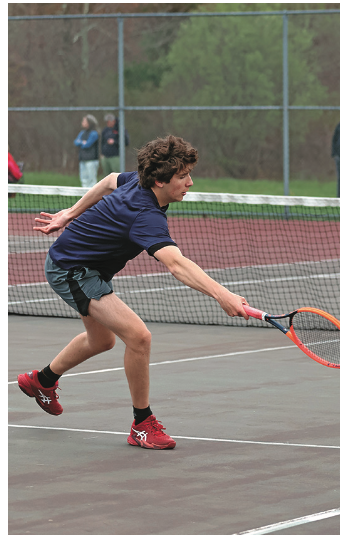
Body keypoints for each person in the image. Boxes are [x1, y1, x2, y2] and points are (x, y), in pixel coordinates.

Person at [17, 135, 250, 450]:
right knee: (139, 337)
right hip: (72, 268)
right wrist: (223, 294)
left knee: (102, 340)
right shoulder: (145, 215)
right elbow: (176, 264)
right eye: (183, 177)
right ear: (159, 180)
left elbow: (109, 180)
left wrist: (69, 214)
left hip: (82, 264)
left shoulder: (136, 183)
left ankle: (40, 381)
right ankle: (142, 425)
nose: (190, 182)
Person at [74, 114, 100, 188]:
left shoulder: (94, 133)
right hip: (82, 159)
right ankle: (84, 197)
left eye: (84, 121)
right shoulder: (82, 133)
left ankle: (93, 198)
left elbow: (87, 144)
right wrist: (82, 142)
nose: (82, 123)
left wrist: (81, 142)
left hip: (91, 160)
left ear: (89, 123)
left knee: (92, 180)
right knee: (84, 179)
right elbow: (76, 142)